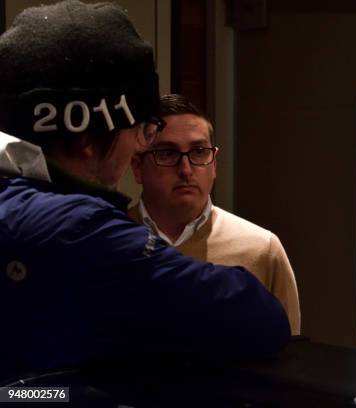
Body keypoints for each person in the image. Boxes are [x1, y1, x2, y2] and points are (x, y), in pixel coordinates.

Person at [0, 0, 289, 382]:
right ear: (88, 135)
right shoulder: (79, 229)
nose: (140, 146)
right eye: (142, 130)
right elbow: (257, 316)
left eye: (200, 151)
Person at [129, 94, 301, 334]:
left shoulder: (261, 248)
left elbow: (288, 355)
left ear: (215, 164)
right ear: (137, 168)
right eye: (167, 154)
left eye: (199, 152)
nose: (186, 170)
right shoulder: (111, 239)